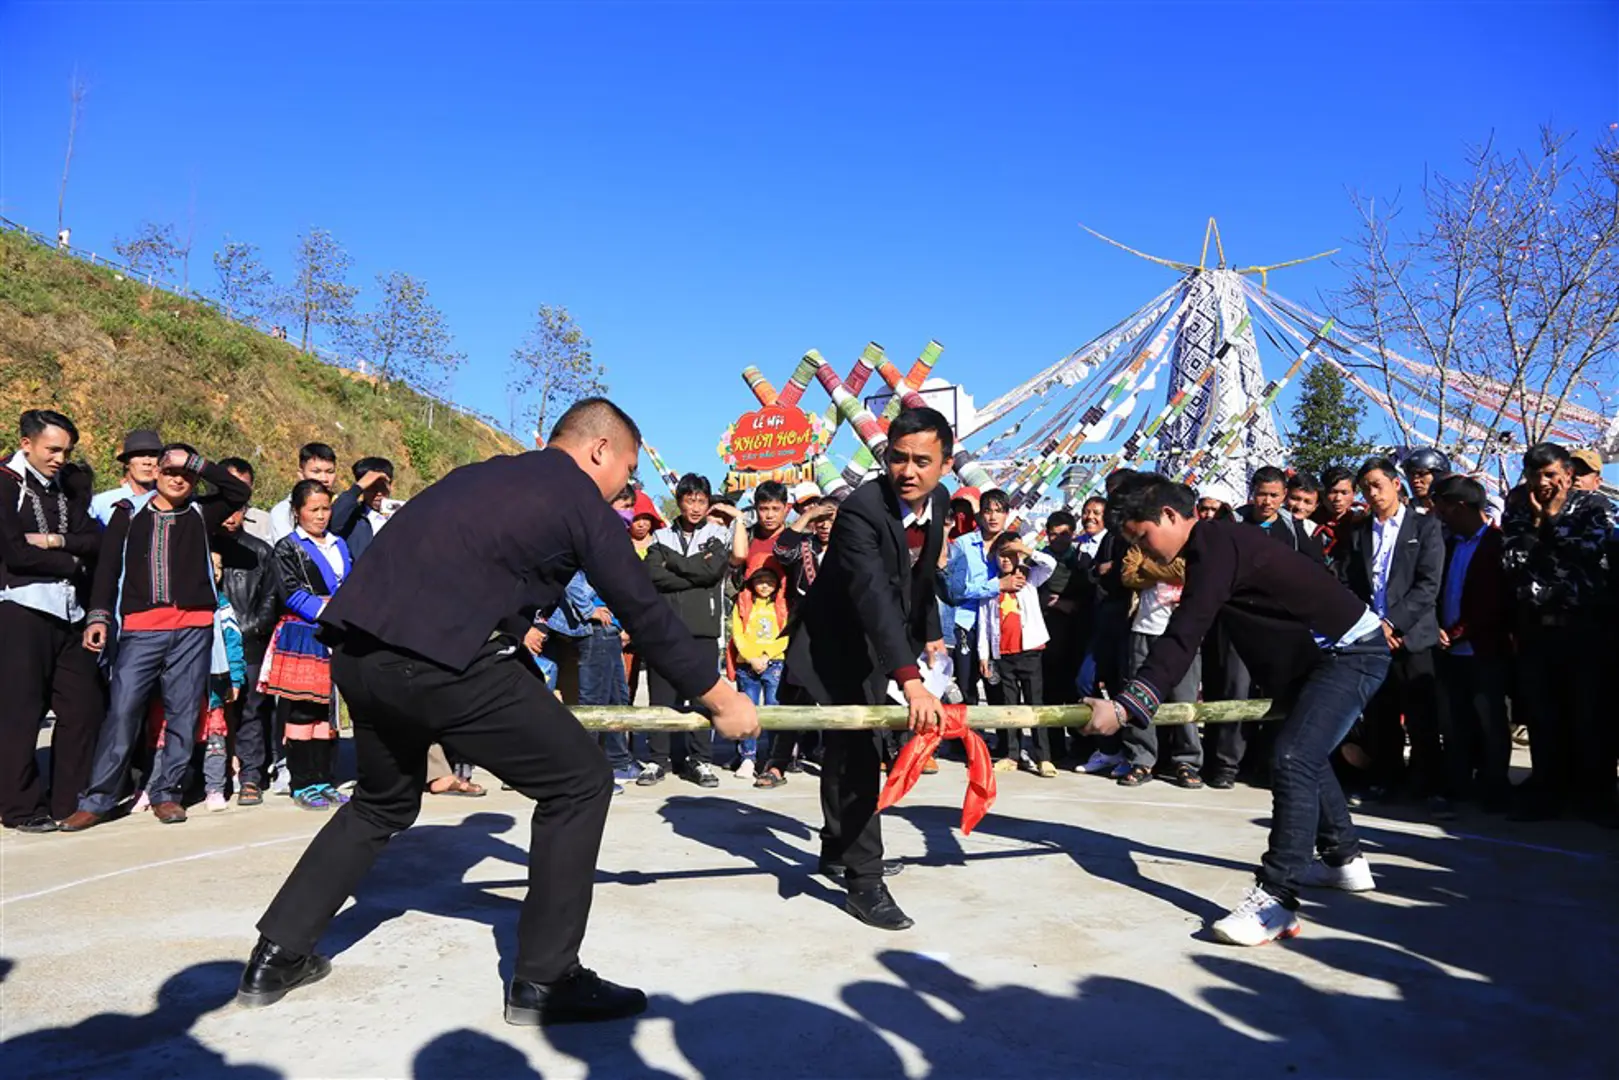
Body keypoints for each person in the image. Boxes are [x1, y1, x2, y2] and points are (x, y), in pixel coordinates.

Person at [237, 397, 758, 1025]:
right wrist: (719, 695)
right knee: (579, 782)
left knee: (382, 802)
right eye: (626, 469)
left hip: (359, 653)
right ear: (599, 450)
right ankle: (546, 979)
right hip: (442, 662)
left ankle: (276, 953)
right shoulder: (577, 499)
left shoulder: (478, 476)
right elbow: (642, 607)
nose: (626, 487)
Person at [1082, 474, 1391, 946]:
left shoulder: (1216, 546)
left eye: (1142, 537)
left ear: (1169, 515)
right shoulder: (1212, 546)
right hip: (1313, 661)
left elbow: (1185, 633)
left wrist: (1126, 709)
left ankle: (1276, 900)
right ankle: (1344, 859)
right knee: (1304, 751)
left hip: (1350, 653)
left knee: (1292, 758)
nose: (1142, 550)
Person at [783, 406, 952, 932]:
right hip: (834, 645)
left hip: (877, 644)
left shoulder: (940, 501)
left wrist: (931, 636)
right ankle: (864, 880)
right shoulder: (860, 509)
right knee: (858, 751)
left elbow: (917, 577)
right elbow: (873, 593)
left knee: (844, 752)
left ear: (944, 464)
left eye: (922, 461)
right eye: (898, 458)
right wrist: (910, 680)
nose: (909, 471)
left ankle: (837, 848)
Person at [61, 446, 251, 830]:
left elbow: (238, 492)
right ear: (156, 473)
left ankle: (168, 794)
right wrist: (99, 617)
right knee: (122, 711)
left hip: (192, 630)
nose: (177, 478)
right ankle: (98, 798)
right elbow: (107, 569)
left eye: (186, 473)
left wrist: (195, 460)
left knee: (183, 713)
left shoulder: (201, 513)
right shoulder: (128, 514)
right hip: (140, 630)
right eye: (170, 470)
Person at [0, 410, 104, 832]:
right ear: (27, 443)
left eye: (66, 450)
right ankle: (19, 806)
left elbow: (96, 541)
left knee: (85, 706)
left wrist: (57, 543)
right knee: (20, 711)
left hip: (69, 611)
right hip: (21, 608)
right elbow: (14, 554)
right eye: (52, 449)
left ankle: (67, 799)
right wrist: (73, 560)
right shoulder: (6, 485)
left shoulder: (68, 486)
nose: (60, 458)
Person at [1501, 442, 1615, 823]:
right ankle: (1548, 792)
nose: (1543, 481)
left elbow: (1589, 550)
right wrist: (1536, 526)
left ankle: (1594, 797)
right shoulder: (1518, 509)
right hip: (1536, 630)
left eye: (1551, 474)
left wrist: (1548, 520)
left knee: (1590, 717)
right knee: (1542, 716)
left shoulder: (1594, 508)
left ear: (1567, 475)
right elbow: (1513, 559)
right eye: (1536, 474)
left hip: (1584, 629)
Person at [1341, 457, 1446, 813]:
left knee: (1422, 716)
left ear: (1395, 484)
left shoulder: (1426, 527)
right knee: (1380, 715)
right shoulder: (1358, 531)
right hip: (1372, 636)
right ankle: (1384, 778)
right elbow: (1350, 584)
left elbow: (1428, 584)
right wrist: (1371, 626)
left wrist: (1394, 624)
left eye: (1377, 485)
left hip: (1413, 636)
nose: (1372, 493)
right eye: (1366, 487)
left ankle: (1430, 784)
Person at [638, 472, 733, 789]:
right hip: (664, 630)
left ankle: (700, 760)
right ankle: (657, 759)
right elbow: (652, 575)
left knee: (702, 697)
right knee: (661, 698)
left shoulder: (718, 534)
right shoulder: (660, 537)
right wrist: (694, 573)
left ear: (708, 504)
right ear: (679, 501)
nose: (695, 507)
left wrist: (674, 564)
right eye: (689, 500)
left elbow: (711, 572)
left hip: (703, 631)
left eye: (701, 501)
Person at [264, 481, 353, 810]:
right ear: (297, 512)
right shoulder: (288, 547)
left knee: (326, 710)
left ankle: (322, 778)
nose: (320, 516)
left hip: (335, 633)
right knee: (303, 708)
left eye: (325, 508)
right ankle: (302, 782)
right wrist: (332, 609)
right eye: (313, 509)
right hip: (304, 633)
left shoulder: (339, 544)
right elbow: (291, 593)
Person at [1429, 475, 1511, 811]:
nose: (1440, 515)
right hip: (1449, 649)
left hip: (1483, 649)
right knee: (1454, 720)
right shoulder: (1447, 545)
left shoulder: (1497, 544)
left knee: (1489, 720)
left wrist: (1460, 631)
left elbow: (1495, 602)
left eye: (1444, 508)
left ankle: (1494, 787)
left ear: (1460, 507)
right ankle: (1459, 783)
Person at [757, 495, 838, 786]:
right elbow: (780, 550)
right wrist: (808, 516)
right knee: (792, 696)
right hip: (805, 628)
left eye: (831, 519)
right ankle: (777, 764)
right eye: (821, 521)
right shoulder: (804, 545)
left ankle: (835, 760)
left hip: (840, 633)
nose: (826, 526)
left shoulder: (852, 548)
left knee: (836, 699)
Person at [1116, 540, 1204, 790]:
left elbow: (1185, 573)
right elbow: (1128, 575)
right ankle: (1141, 760)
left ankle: (1187, 761)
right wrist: (1161, 570)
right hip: (1143, 629)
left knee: (1184, 699)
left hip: (1181, 632)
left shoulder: (1192, 545)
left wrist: (1148, 568)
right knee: (1138, 697)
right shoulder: (1140, 544)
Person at [215, 498, 279, 806]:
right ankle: (213, 775)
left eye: (237, 510)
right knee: (211, 711)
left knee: (251, 710)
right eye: (224, 510)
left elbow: (270, 601)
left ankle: (251, 776)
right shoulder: (200, 544)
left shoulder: (261, 551)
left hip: (250, 643)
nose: (230, 517)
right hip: (208, 642)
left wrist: (246, 631)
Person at [977, 533, 1057, 775]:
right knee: (1008, 705)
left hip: (1030, 651)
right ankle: (1012, 754)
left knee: (1035, 704)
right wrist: (984, 655)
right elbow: (984, 623)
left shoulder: (1030, 577)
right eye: (1002, 555)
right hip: (1003, 654)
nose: (1006, 560)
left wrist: (1027, 550)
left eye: (1011, 555)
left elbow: (1050, 565)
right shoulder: (992, 585)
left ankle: (1043, 756)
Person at [728, 555, 788, 780]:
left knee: (773, 711)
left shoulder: (782, 605)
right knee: (747, 712)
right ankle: (747, 757)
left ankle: (774, 757)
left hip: (774, 664)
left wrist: (766, 655)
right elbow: (737, 634)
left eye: (769, 580)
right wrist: (751, 656)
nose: (764, 585)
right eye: (759, 580)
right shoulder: (743, 604)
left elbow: (786, 636)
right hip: (747, 665)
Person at [89, 429, 163, 526]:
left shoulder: (174, 501)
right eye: (139, 455)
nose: (147, 462)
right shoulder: (101, 503)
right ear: (127, 462)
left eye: (153, 455)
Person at [268, 443, 339, 542]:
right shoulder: (283, 511)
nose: (324, 479)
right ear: (301, 474)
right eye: (316, 472)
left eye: (330, 472)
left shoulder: (340, 505)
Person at [329, 457, 394, 561]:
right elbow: (333, 523)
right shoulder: (353, 517)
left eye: (382, 486)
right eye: (371, 486)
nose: (378, 493)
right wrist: (357, 488)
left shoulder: (403, 514)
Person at [731, 480, 790, 568]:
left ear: (786, 508)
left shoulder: (796, 539)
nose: (769, 515)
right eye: (764, 509)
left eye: (776, 509)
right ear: (755, 508)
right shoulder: (744, 537)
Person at [1314, 465, 1362, 571]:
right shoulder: (1310, 522)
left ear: (1354, 494)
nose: (1338, 499)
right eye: (1333, 492)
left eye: (1344, 493)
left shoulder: (1362, 522)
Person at [1401, 448, 1451, 513]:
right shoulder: (1404, 513)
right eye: (1411, 474)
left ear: (1438, 475)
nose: (1415, 480)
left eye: (1422, 474)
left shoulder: (1455, 511)